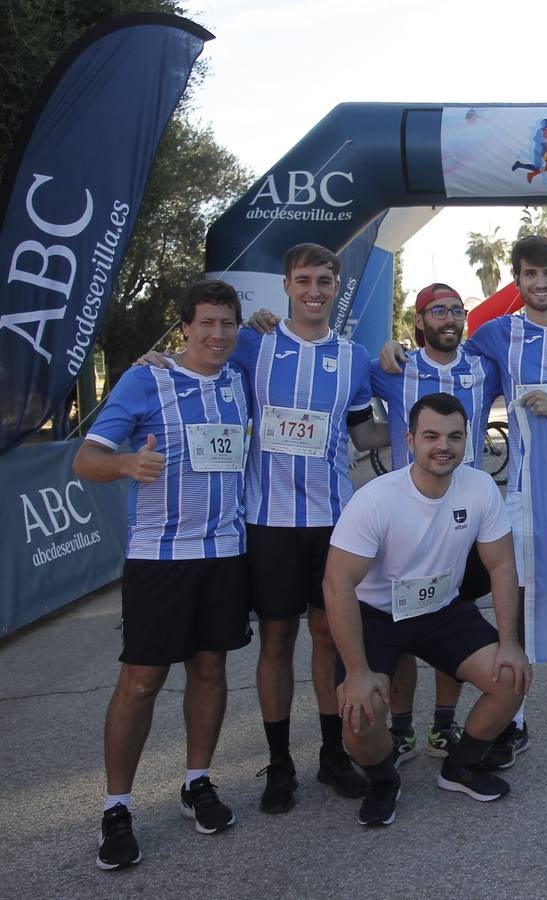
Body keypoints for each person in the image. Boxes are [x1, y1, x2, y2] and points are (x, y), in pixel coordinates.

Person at [380, 235, 547, 762]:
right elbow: (446, 358)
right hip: (522, 491)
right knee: (512, 604)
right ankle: (513, 718)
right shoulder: (496, 333)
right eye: (530, 275)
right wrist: (396, 348)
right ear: (517, 282)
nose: (540, 283)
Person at [74, 281, 253, 869]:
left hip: (224, 553)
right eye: (206, 323)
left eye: (227, 323)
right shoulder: (145, 378)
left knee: (210, 668)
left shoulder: (238, 376)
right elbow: (85, 460)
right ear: (183, 328)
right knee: (142, 680)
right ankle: (117, 806)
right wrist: (127, 461)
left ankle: (196, 782)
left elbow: (285, 340)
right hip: (159, 557)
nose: (218, 334)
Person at [325, 392, 530, 826]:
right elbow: (337, 583)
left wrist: (510, 643)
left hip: (440, 610)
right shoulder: (377, 499)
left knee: (512, 676)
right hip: (377, 615)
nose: (444, 446)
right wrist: (357, 672)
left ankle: (460, 766)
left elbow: (502, 565)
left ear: (466, 440)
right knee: (358, 712)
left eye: (455, 436)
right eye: (432, 435)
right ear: (411, 440)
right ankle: (382, 781)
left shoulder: (479, 487)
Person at [229, 243, 384, 812]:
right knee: (276, 639)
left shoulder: (354, 357)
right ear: (287, 286)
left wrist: (427, 425)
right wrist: (158, 362)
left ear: (336, 286)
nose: (314, 291)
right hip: (268, 520)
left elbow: (364, 435)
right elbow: (202, 365)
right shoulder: (254, 343)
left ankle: (330, 756)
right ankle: (279, 765)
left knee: (328, 638)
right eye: (303, 281)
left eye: (324, 281)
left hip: (332, 522)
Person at [370, 284, 501, 768]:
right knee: (401, 618)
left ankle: (443, 727)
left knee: (458, 619)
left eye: (456, 310)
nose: (449, 318)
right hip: (405, 520)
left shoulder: (485, 368)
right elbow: (352, 406)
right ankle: (400, 728)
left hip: (468, 521)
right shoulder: (392, 369)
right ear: (419, 319)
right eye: (438, 310)